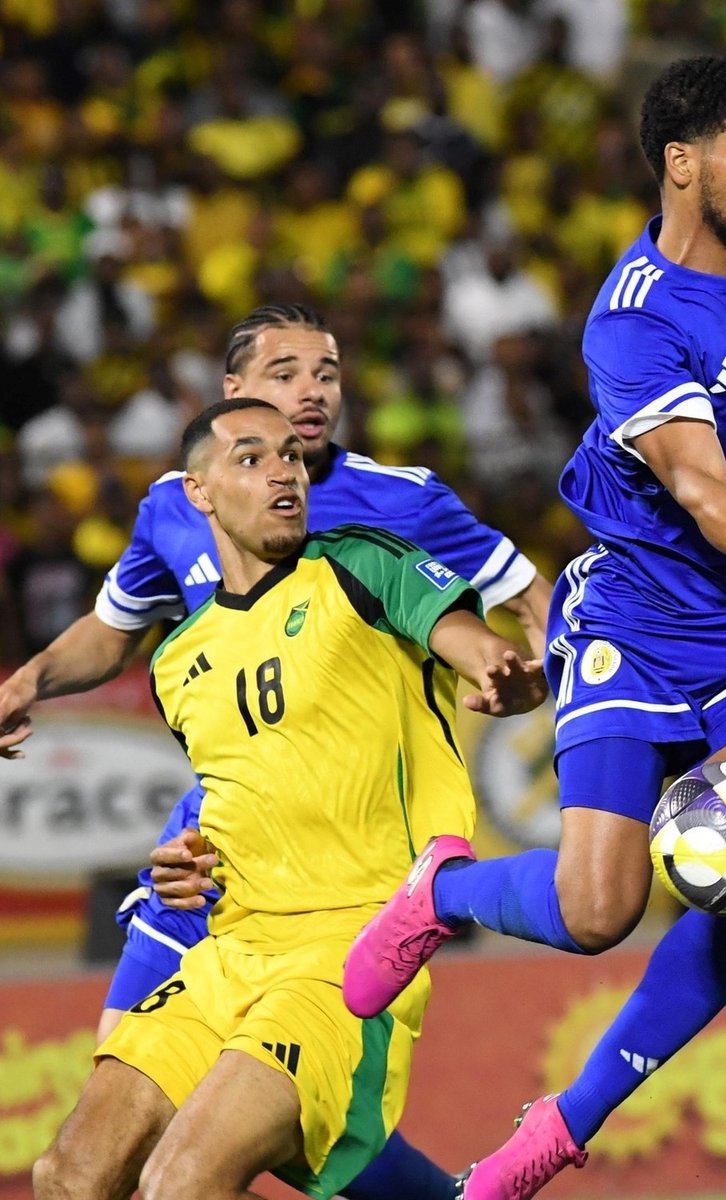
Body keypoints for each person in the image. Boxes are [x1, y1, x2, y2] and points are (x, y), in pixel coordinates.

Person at [339, 56, 726, 1200]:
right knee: (598, 913)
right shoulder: (631, 327)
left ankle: (560, 1127)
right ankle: (439, 894)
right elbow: (698, 485)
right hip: (641, 612)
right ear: (682, 164)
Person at [0, 302, 550, 1200]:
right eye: (285, 377)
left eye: (326, 376)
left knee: (186, 1173)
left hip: (350, 922)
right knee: (75, 1171)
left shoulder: (383, 530)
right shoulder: (178, 641)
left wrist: (529, 678)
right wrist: (27, 683)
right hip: (222, 893)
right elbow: (119, 641)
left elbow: (499, 622)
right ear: (206, 476)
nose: (310, 399)